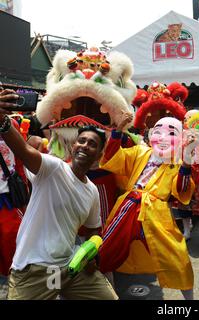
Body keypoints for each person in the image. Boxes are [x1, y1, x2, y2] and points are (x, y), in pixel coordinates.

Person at [0, 88, 118, 299]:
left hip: (69, 268)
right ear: (73, 146)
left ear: (99, 154)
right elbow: (24, 151)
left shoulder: (91, 191)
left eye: (92, 144)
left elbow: (93, 231)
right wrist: (3, 122)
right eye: (81, 141)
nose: (85, 145)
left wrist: (90, 254)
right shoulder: (53, 168)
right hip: (33, 270)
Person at [98, 116, 196, 300]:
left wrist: (187, 163)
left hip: (157, 214)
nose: (163, 137)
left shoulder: (178, 162)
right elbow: (112, 157)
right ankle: (108, 296)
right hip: (127, 206)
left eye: (171, 133)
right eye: (158, 132)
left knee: (178, 259)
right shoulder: (139, 152)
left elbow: (181, 190)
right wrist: (118, 130)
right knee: (105, 253)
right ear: (151, 135)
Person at [0, 89, 27, 277]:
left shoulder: (12, 124)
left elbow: (20, 158)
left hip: (8, 199)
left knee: (13, 249)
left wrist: (24, 198)